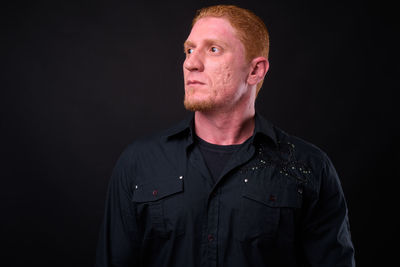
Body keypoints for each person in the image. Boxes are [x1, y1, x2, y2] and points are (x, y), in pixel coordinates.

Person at [95, 5, 355, 267]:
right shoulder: (139, 162)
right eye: (189, 50)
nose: (191, 63)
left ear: (255, 71)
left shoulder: (309, 167)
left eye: (213, 49)